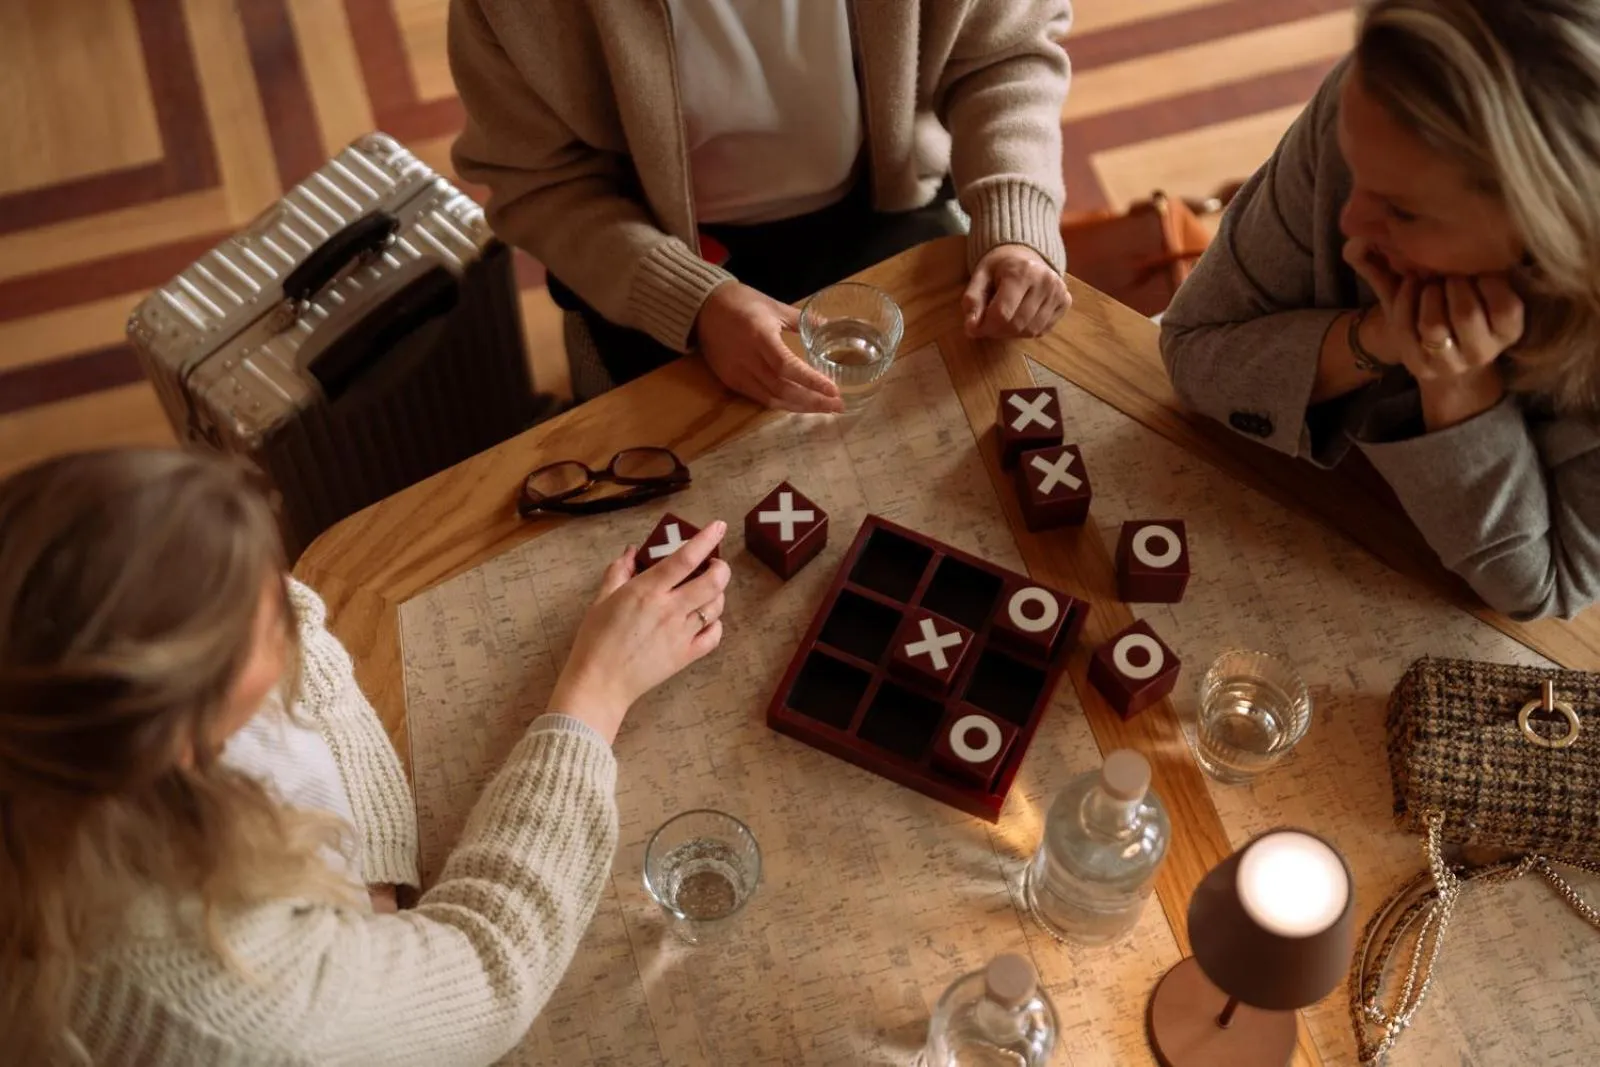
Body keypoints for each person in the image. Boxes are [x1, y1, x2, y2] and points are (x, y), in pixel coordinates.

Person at [0, 449, 730, 1063]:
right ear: (178, 741)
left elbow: (296, 614)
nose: (289, 616)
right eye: (257, 633)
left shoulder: (48, 682)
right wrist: (595, 689)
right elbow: (488, 967)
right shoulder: (235, 1002)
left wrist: (372, 877)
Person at [1160, 0, 1600, 621]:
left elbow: (1540, 586)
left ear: (1554, 229)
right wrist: (1384, 337)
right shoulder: (1383, 102)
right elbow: (1193, 349)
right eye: (1352, 166)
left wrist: (1455, 379)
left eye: (1404, 212)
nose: (1349, 224)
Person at [448, 0, 1074, 411]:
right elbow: (536, 179)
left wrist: (1015, 217)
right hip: (647, 245)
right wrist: (692, 301)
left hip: (885, 204)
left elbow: (1005, 54)